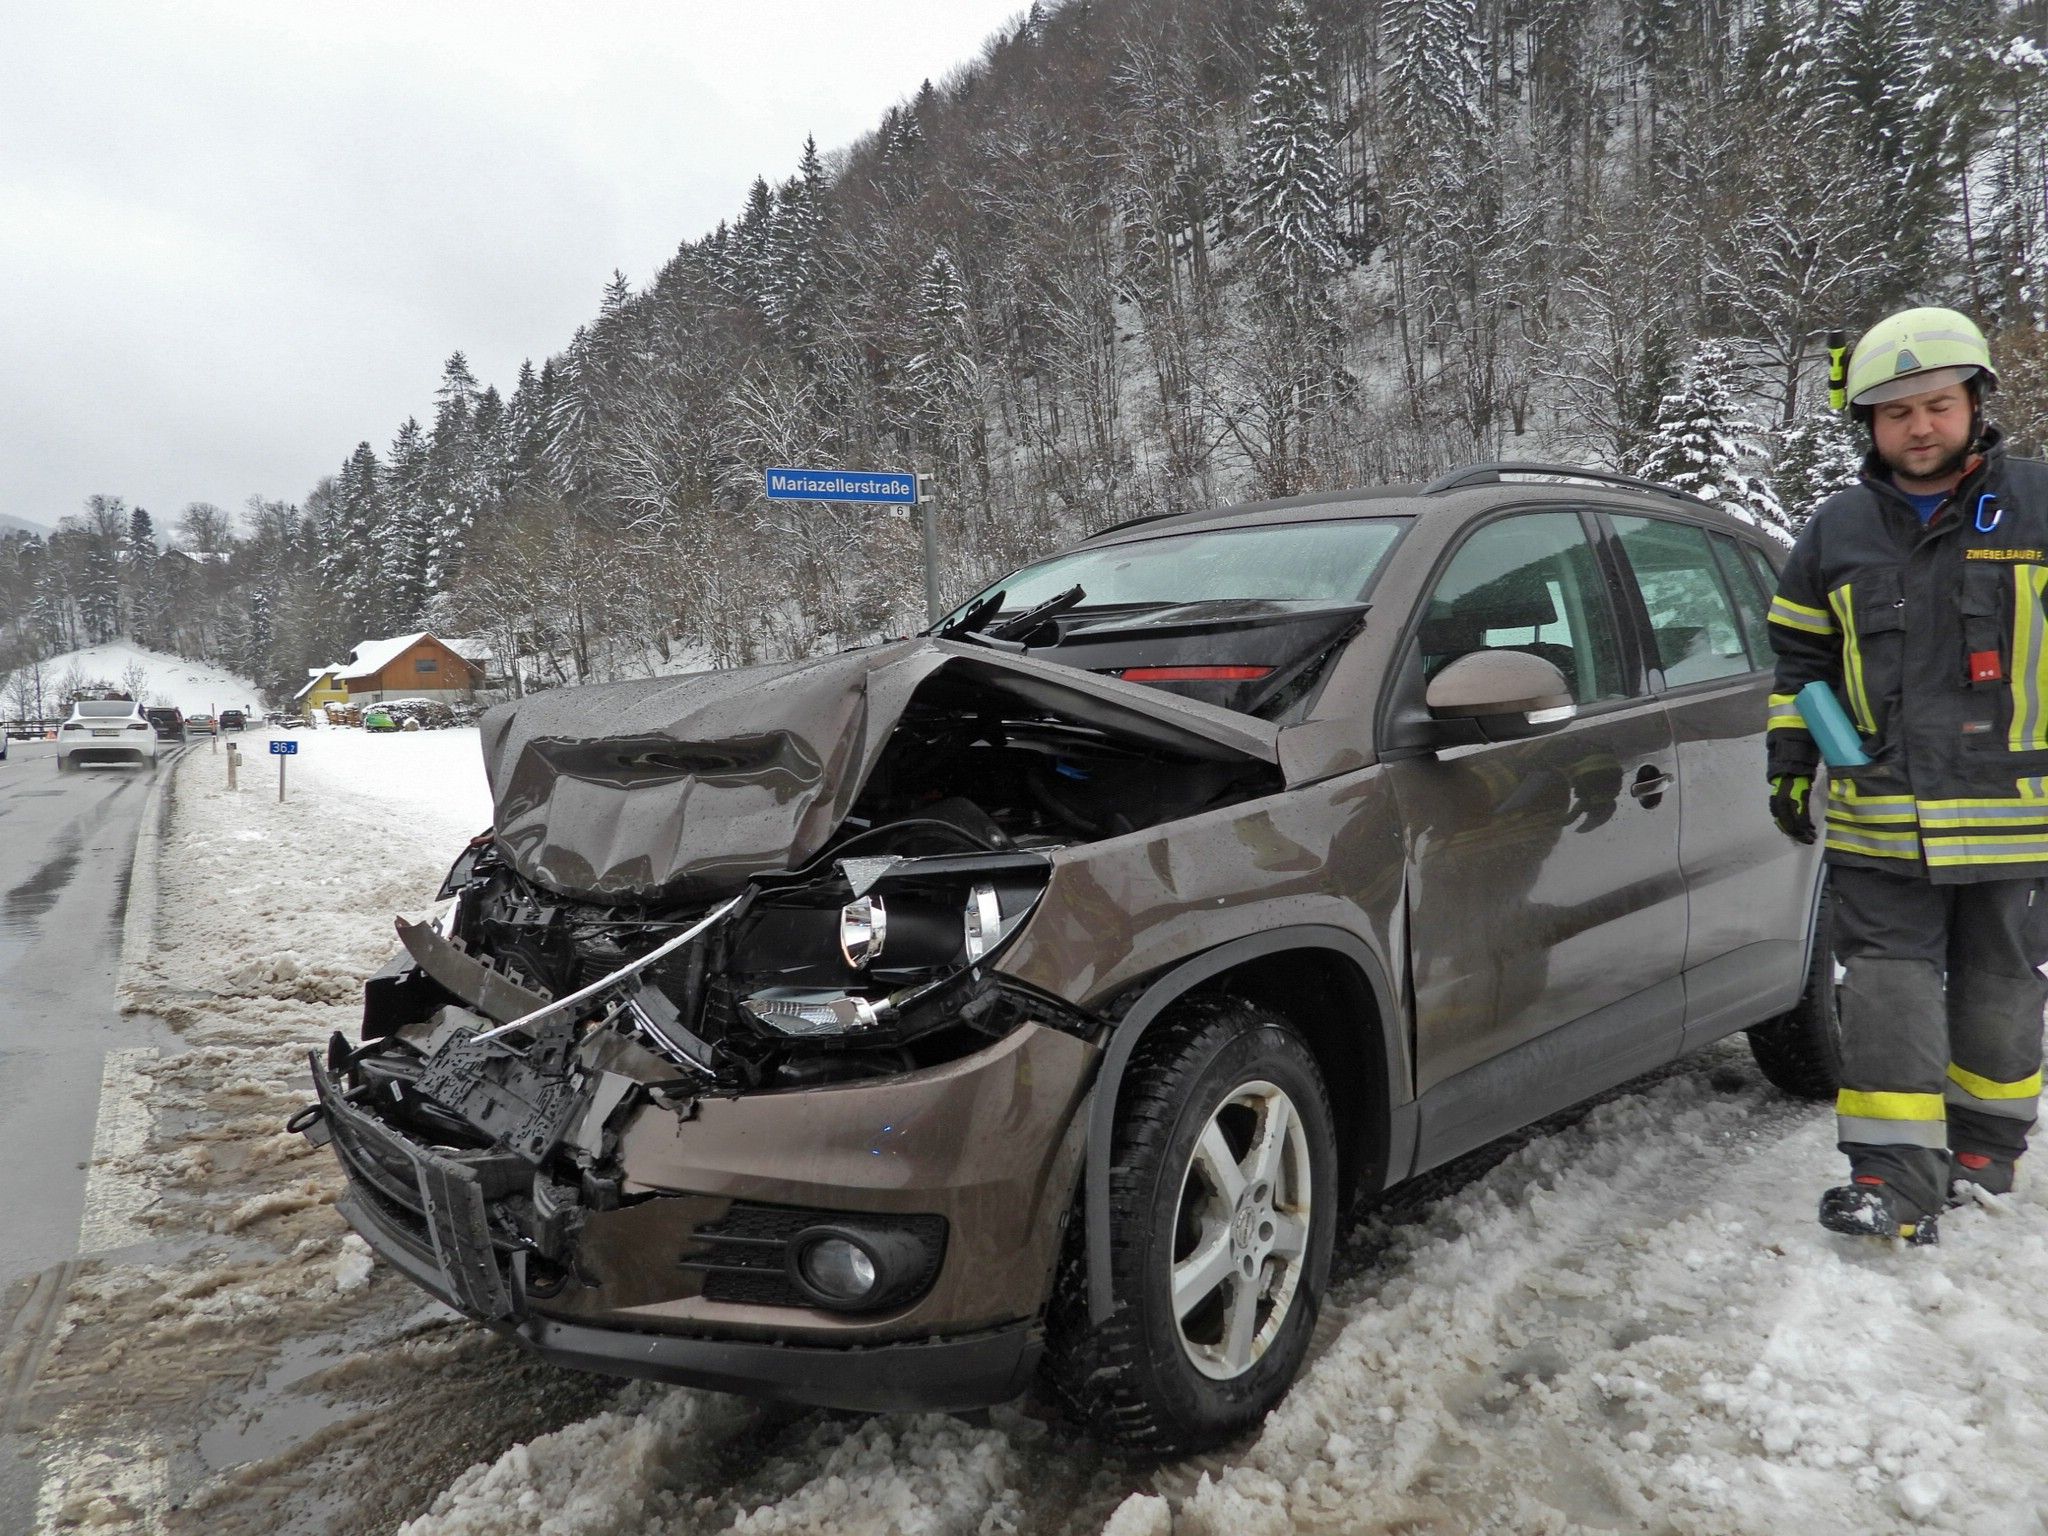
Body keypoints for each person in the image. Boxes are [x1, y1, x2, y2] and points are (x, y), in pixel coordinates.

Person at [1766, 306, 2048, 1244]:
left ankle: (1986, 1147)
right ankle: (1893, 1178)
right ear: (1870, 428)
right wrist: (1789, 761)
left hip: (2015, 816)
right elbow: (1798, 666)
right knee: (1884, 991)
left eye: (1936, 405)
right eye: (1894, 413)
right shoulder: (1836, 530)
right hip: (1883, 815)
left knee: (1998, 988)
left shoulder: (2040, 507)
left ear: (1975, 403)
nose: (1918, 427)